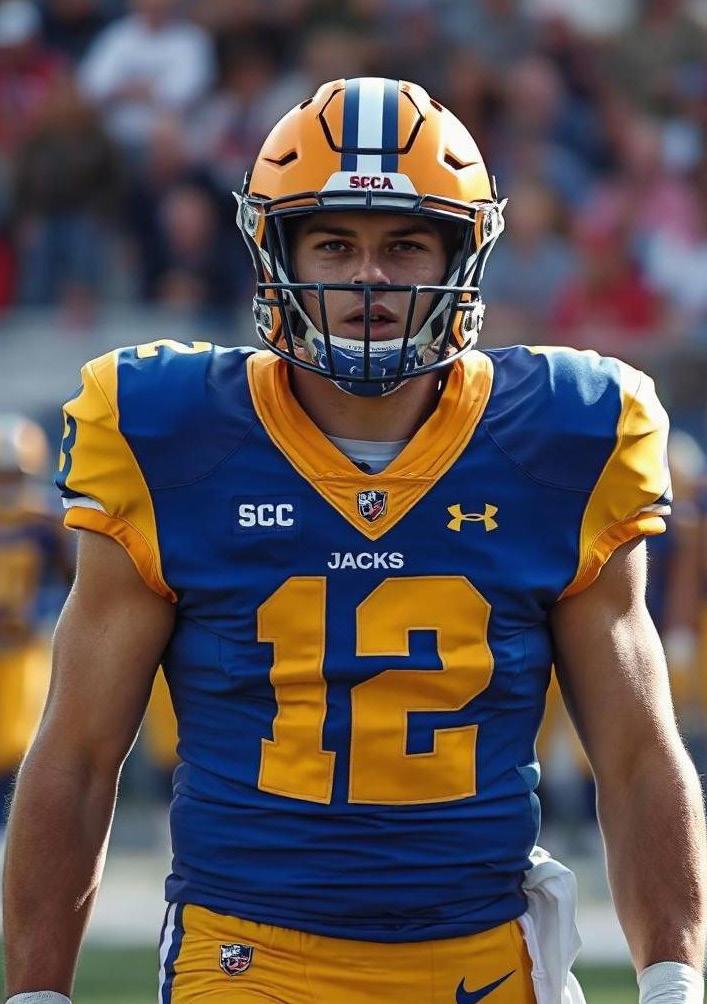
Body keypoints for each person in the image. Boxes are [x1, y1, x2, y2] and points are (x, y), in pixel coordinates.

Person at [3, 78, 706, 1004]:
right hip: (245, 959)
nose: (369, 278)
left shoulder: (565, 436)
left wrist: (671, 981)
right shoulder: (167, 433)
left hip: (481, 958)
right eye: (333, 244)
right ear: (276, 251)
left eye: (404, 244)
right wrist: (39, 992)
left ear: (462, 254)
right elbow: (80, 753)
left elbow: (637, 752)